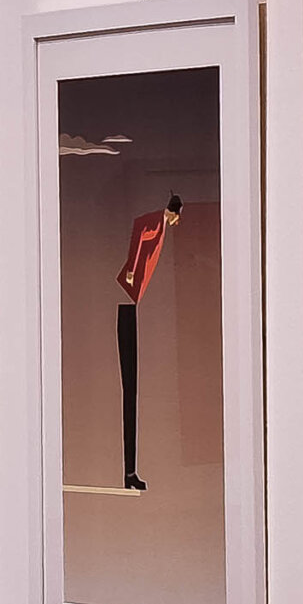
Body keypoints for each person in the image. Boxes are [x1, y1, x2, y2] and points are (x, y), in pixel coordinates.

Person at [115, 194, 182, 493]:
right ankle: (128, 473)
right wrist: (131, 268)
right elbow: (138, 233)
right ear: (173, 212)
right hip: (126, 301)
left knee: (132, 389)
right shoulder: (156, 221)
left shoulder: (160, 225)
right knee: (129, 387)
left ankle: (130, 473)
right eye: (178, 216)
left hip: (132, 302)